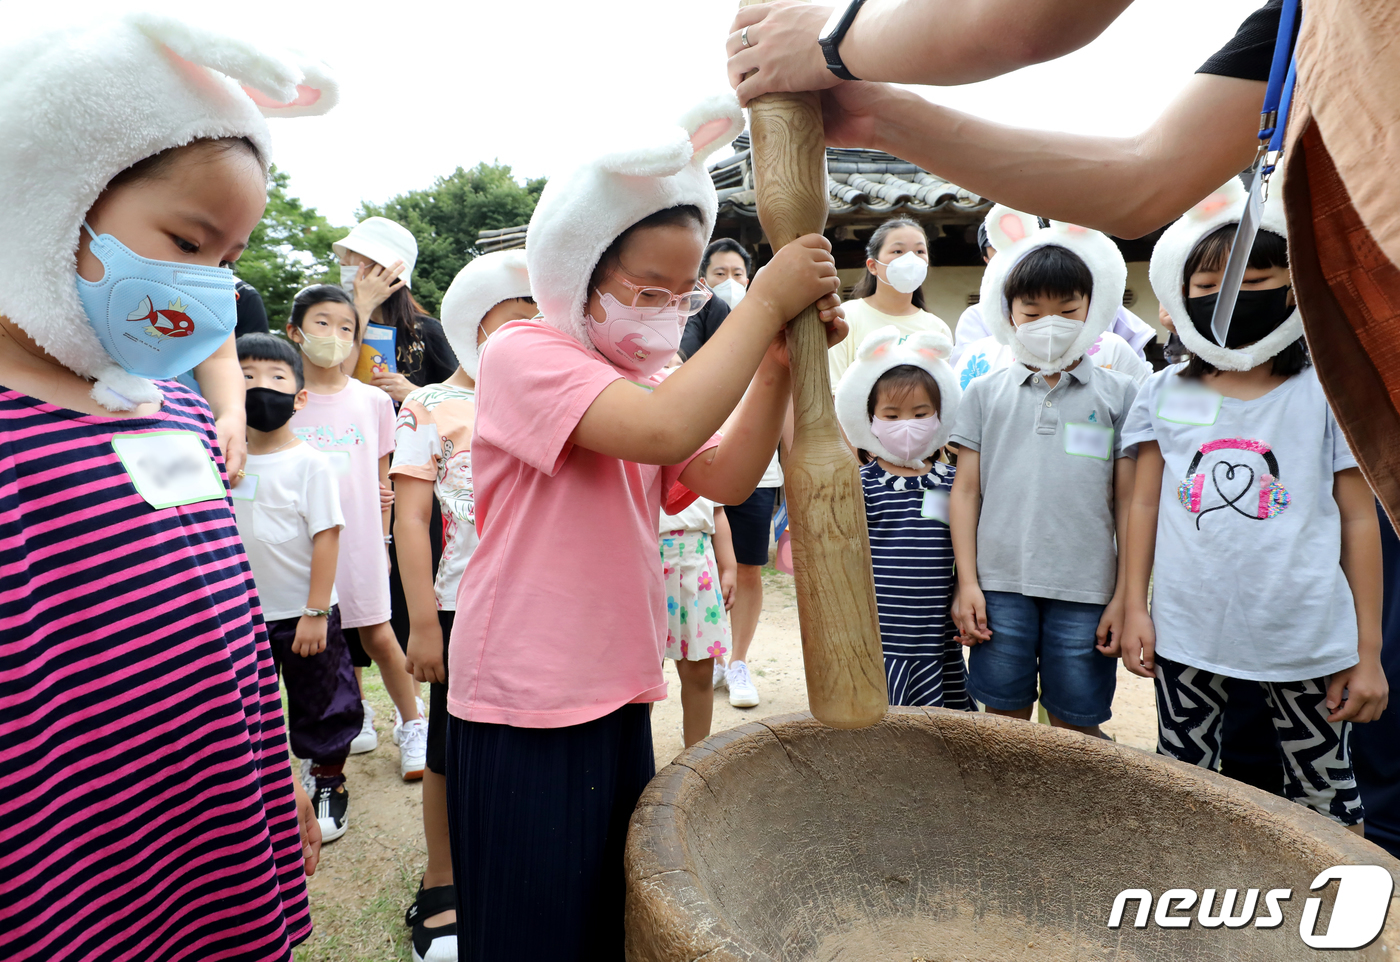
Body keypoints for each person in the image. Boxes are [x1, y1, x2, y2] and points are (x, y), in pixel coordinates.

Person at [445, 94, 844, 959]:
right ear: (577, 272)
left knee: (597, 916)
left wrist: (774, 367)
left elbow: (725, 473)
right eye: (646, 290)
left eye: (683, 290)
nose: (668, 308)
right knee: (527, 927)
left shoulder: (651, 382)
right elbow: (668, 434)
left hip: (616, 683)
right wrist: (763, 306)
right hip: (525, 696)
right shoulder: (526, 353)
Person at [0, 13, 334, 958]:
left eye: (228, 261)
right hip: (69, 879)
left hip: (220, 843)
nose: (210, 288)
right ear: (48, 197)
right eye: (188, 242)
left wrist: (279, 793)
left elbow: (230, 635)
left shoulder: (172, 410)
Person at [1119, 182, 1388, 833]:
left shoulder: (1325, 394)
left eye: (1252, 275)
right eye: (1206, 285)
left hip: (1306, 637)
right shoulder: (1164, 392)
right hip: (1187, 633)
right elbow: (1144, 503)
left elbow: (1359, 519)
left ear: (1292, 287)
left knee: (1325, 791)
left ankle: (1333, 915)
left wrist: (1370, 648)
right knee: (1185, 785)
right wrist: (1130, 605)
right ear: (1181, 300)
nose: (1228, 296)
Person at [725, 1, 1286, 239]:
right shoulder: (1315, 24)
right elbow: (1144, 183)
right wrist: (880, 119)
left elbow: (1021, 21)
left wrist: (834, 37)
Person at [391, 250, 536, 962]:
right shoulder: (429, 404)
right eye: (511, 322)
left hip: (541, 606)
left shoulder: (563, 397)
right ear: (476, 327)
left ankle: (513, 865)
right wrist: (421, 622)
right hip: (458, 607)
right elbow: (410, 520)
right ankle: (441, 878)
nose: (526, 337)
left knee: (524, 743)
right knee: (448, 751)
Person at [949, 217, 1138, 738]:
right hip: (999, 586)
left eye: (1067, 310)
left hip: (1088, 589)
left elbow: (1130, 502)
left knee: (1075, 725)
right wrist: (968, 583)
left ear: (1092, 311)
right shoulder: (984, 393)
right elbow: (965, 492)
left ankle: (1071, 818)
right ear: (1008, 315)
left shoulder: (1120, 394)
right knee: (1004, 722)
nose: (1048, 322)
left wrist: (1125, 594)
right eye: (1032, 311)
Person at [285, 285, 426, 780]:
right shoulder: (283, 400)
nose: (335, 336)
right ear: (294, 331)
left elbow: (382, 476)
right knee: (322, 644)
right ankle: (350, 720)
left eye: (347, 328)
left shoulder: (373, 401)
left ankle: (413, 724)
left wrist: (384, 539)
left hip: (362, 539)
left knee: (379, 635)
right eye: (322, 323)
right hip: (297, 546)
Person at [234, 333, 361, 844]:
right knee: (252, 706)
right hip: (243, 615)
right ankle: (267, 786)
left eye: (277, 377)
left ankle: (328, 778)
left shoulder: (310, 462)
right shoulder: (221, 459)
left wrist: (314, 610)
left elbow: (327, 537)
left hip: (304, 613)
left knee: (323, 699)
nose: (262, 388)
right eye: (246, 377)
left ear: (299, 396)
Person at [834, 326, 973, 709]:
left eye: (920, 413)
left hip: (937, 635)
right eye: (891, 414)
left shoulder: (956, 483)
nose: (906, 424)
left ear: (940, 414)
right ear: (871, 418)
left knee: (939, 730)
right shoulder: (858, 484)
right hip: (879, 636)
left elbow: (968, 550)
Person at [954, 217, 1156, 362]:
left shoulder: (1106, 318)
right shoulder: (977, 322)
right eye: (1032, 313)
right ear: (988, 261)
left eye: (1068, 311)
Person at [336, 216, 460, 402]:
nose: (343, 261)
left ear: (384, 266)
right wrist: (362, 307)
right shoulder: (333, 326)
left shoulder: (428, 332)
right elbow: (327, 384)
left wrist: (414, 395)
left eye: (352, 251)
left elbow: (463, 403)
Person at [827, 216, 951, 385]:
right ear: (873, 266)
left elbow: (942, 394)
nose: (911, 260)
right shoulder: (846, 317)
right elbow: (834, 391)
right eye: (898, 251)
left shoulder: (938, 329)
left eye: (919, 251)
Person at [659, 491, 738, 746]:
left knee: (700, 669)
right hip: (645, 561)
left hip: (697, 562)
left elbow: (718, 510)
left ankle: (696, 756)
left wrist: (729, 567)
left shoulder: (702, 451)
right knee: (644, 673)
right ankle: (638, 760)